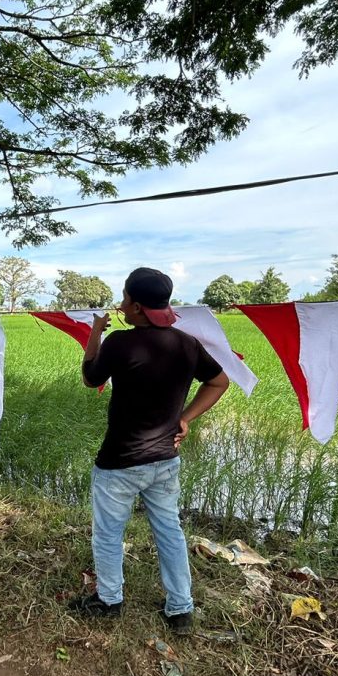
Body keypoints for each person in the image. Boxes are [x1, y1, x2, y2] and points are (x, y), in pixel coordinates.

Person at [69, 267, 229, 634]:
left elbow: (90, 377)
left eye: (125, 298)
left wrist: (95, 332)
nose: (122, 304)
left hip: (119, 464)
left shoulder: (119, 343)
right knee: (169, 531)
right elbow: (219, 381)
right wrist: (185, 418)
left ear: (137, 307)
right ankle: (180, 609)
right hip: (165, 461)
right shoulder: (186, 343)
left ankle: (109, 600)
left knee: (108, 534)